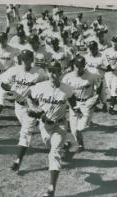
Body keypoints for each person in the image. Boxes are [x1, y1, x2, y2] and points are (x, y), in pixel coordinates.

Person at [27, 61, 77, 197]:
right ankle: (65, 145)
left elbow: (72, 100)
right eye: (50, 71)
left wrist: (76, 110)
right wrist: (33, 108)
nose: (52, 74)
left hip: (60, 125)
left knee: (53, 154)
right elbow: (29, 97)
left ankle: (51, 189)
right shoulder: (40, 86)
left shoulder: (67, 88)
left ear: (60, 73)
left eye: (55, 71)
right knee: (50, 145)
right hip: (44, 125)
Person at [0, 49, 47, 173]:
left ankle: (17, 161)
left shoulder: (39, 73)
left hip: (33, 106)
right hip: (19, 106)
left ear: (31, 60)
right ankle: (64, 144)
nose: (24, 61)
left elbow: (47, 86)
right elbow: (3, 82)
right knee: (45, 132)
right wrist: (11, 88)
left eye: (26, 59)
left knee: (25, 132)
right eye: (22, 58)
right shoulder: (15, 70)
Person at [62, 56, 101, 153]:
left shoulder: (92, 75)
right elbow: (63, 90)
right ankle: (80, 144)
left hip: (87, 103)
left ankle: (87, 124)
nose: (79, 68)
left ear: (84, 66)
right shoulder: (67, 77)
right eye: (77, 66)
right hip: (74, 103)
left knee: (81, 127)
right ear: (73, 65)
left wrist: (97, 98)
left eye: (81, 66)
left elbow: (100, 85)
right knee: (74, 130)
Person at [84, 41, 109, 112]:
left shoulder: (102, 55)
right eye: (90, 49)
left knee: (102, 95)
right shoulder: (86, 56)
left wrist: (100, 67)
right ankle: (92, 106)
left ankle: (104, 104)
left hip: (100, 79)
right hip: (90, 79)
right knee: (89, 94)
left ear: (97, 48)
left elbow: (108, 68)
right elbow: (83, 66)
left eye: (93, 49)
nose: (92, 50)